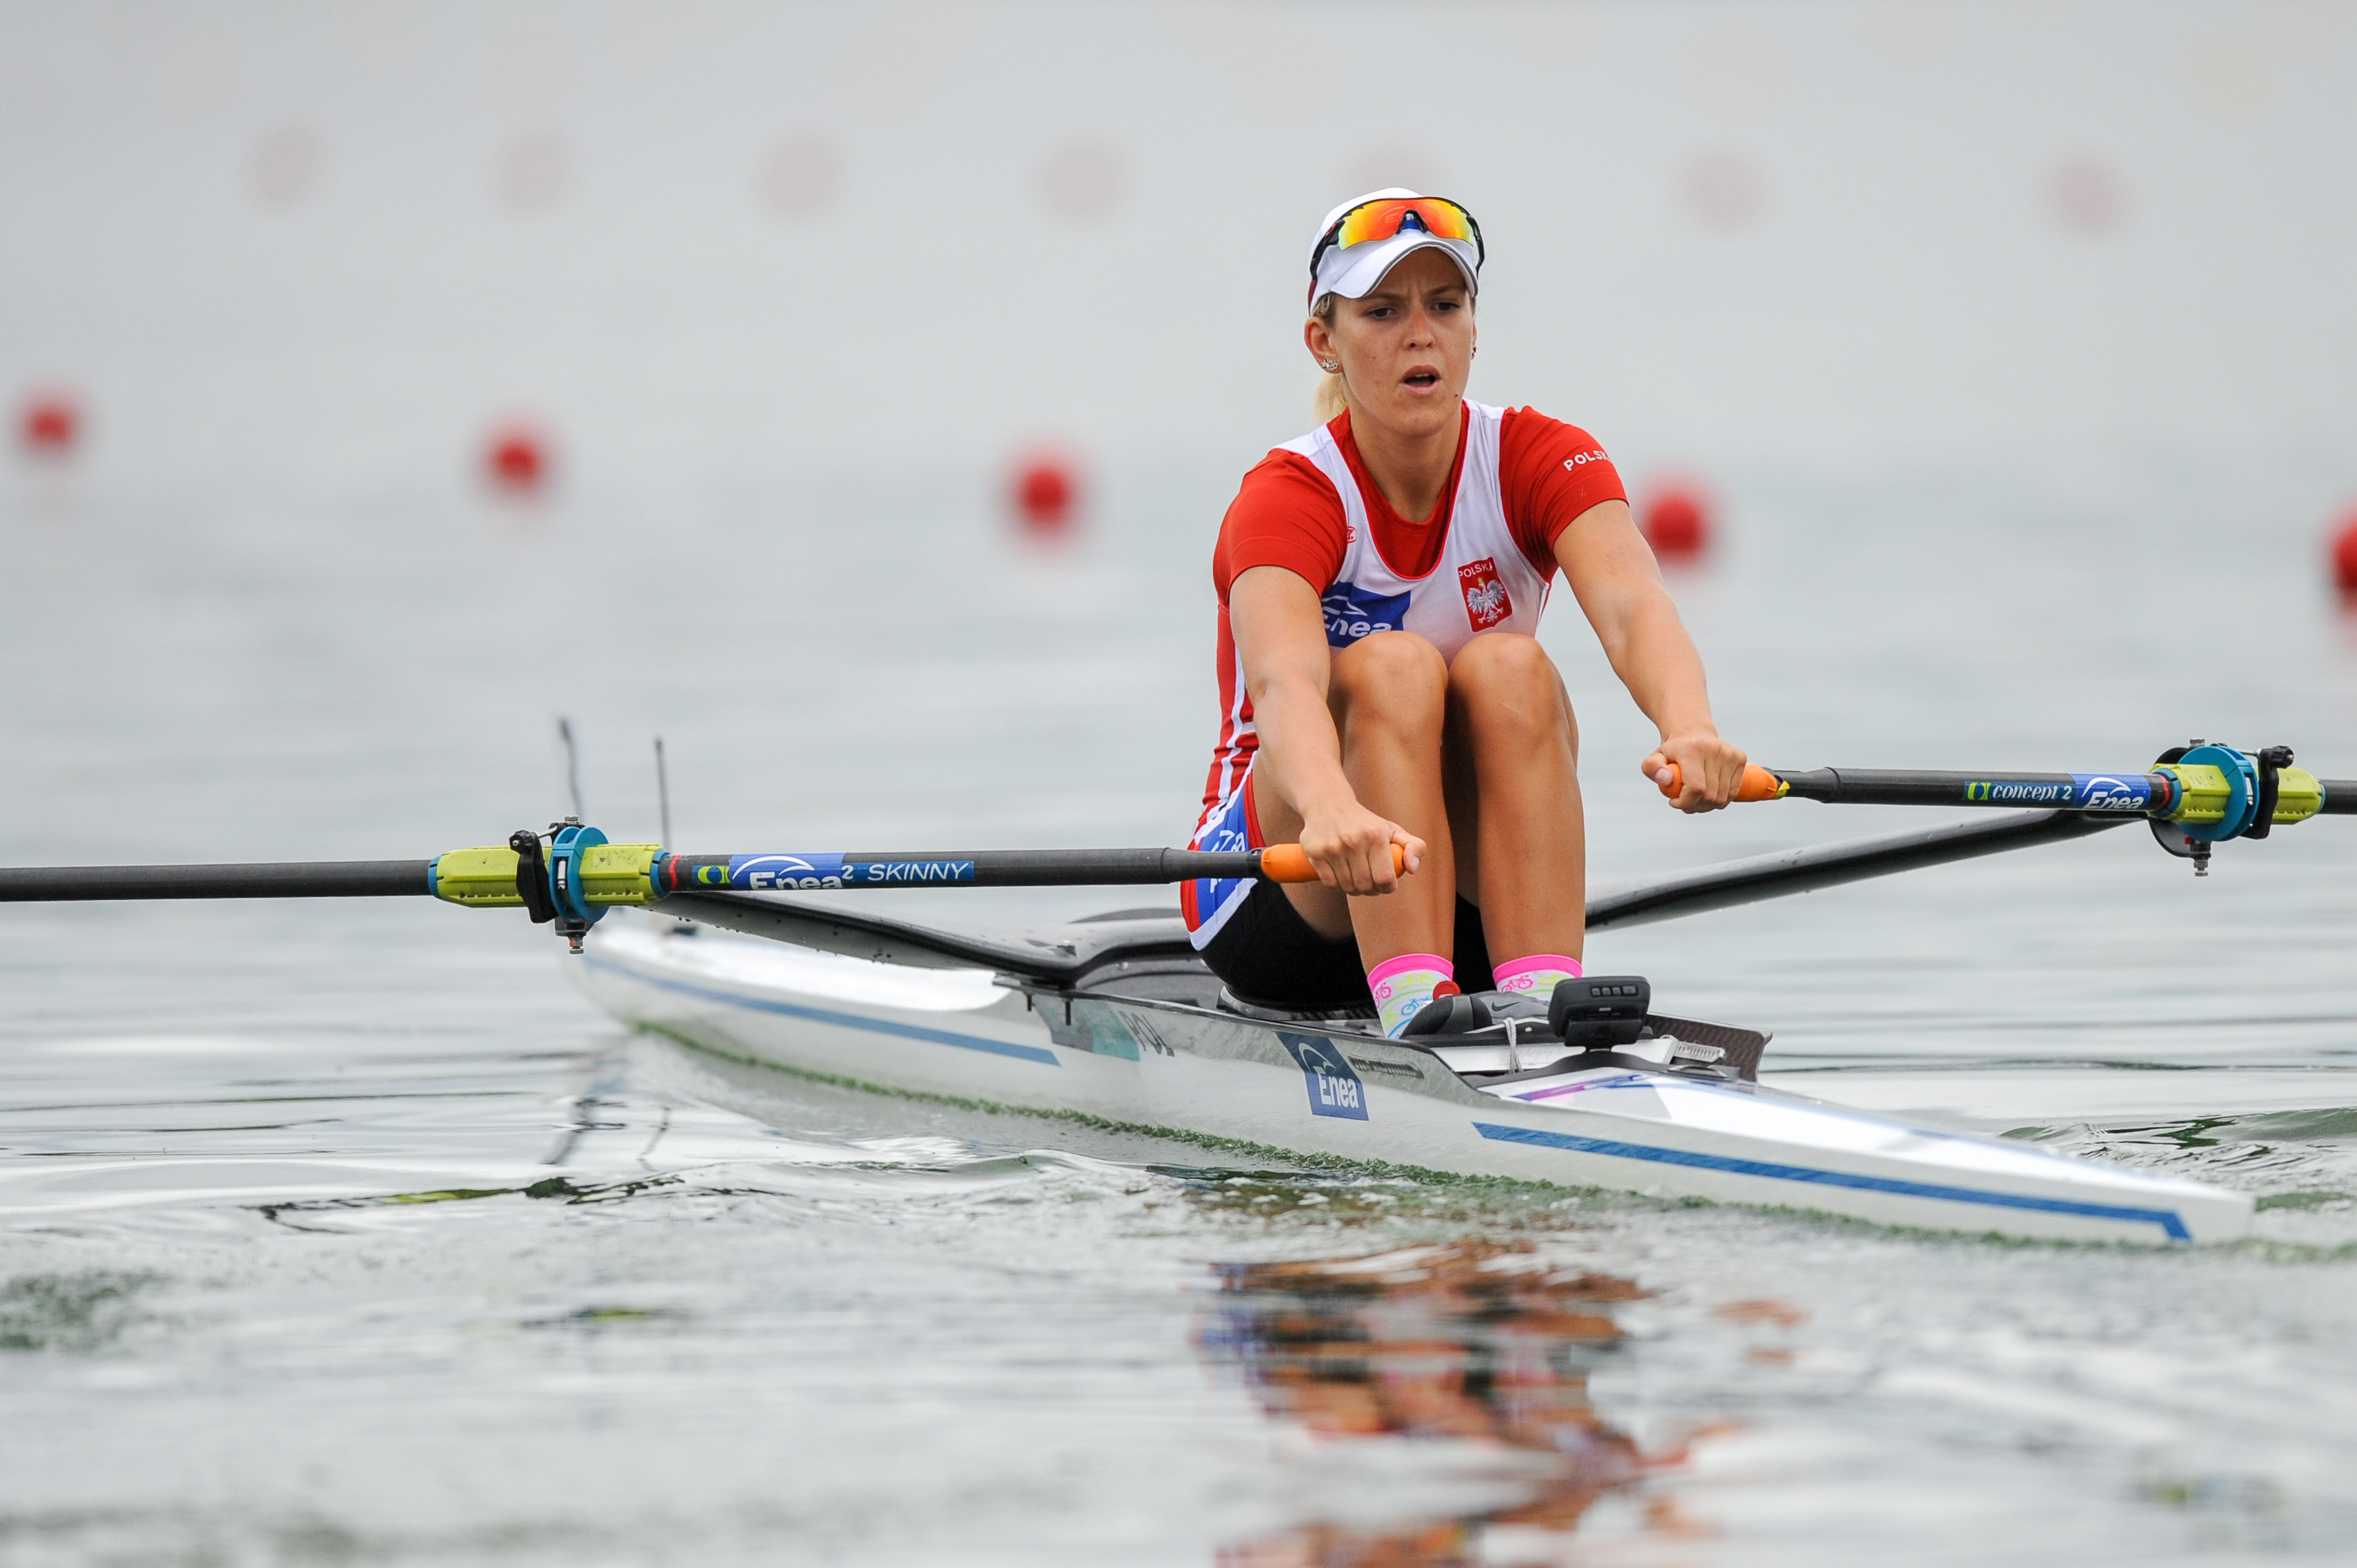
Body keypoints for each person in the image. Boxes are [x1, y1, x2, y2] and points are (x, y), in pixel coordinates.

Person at [1182, 190, 1749, 1037]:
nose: (1421, 334)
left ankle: (1538, 1005)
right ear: (1324, 342)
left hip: (1462, 892)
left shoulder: (1540, 457)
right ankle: (1417, 1009)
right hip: (1285, 889)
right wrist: (1332, 805)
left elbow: (1635, 608)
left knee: (1510, 667)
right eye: (1382, 311)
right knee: (1393, 666)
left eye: (1445, 306)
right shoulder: (1289, 495)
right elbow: (1282, 681)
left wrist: (1690, 727)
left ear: (1474, 329)